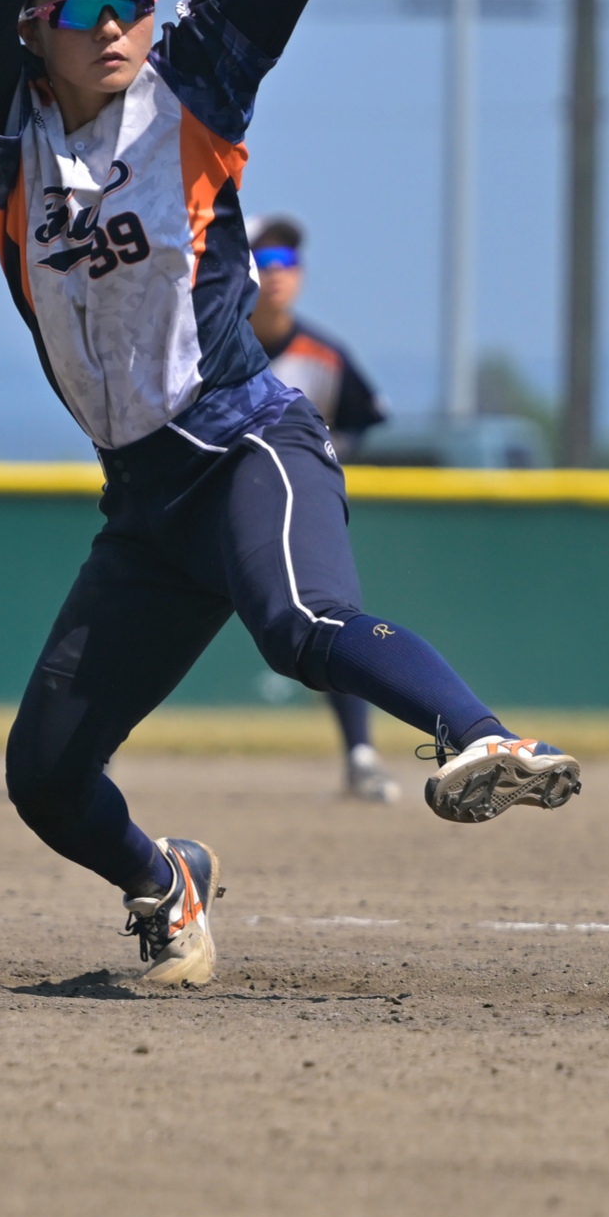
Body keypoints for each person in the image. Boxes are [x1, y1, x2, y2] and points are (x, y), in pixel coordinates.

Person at [0, 0, 581, 988]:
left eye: (131, 1)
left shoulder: (190, 89)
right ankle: (163, 879)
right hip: (142, 506)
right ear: (35, 29)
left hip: (245, 441)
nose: (115, 26)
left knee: (301, 624)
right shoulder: (3, 139)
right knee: (44, 775)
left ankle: (485, 737)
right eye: (84, 9)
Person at [246, 214, 397, 803]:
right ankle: (93, 753)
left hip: (291, 513)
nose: (277, 273)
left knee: (330, 621)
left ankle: (361, 756)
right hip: (215, 510)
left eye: (287, 261)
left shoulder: (323, 356)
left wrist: (323, 461)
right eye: (263, 260)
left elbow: (365, 419)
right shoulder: (206, 347)